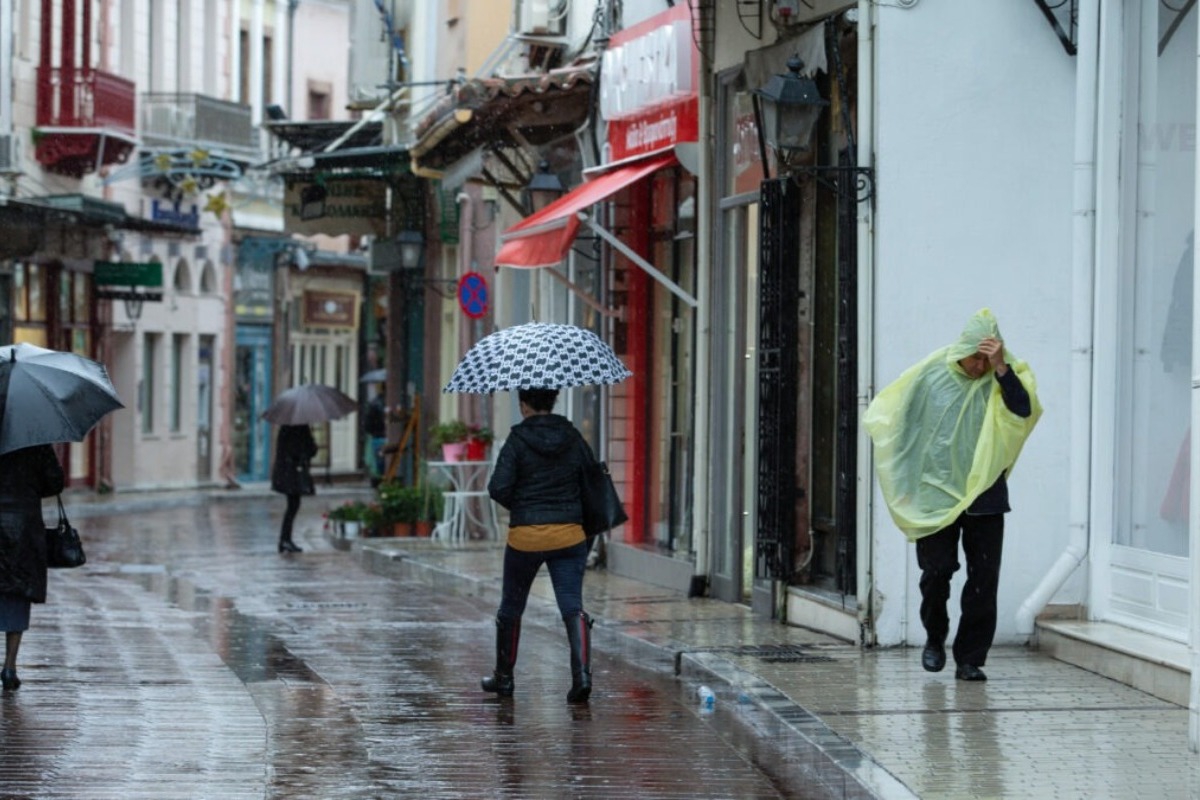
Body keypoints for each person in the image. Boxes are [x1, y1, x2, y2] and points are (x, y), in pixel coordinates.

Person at [864, 308, 1041, 681]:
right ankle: (934, 637)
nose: (979, 366)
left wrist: (1002, 367)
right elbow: (901, 430)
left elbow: (1022, 410)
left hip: (985, 497)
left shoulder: (1002, 376)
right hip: (932, 494)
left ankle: (970, 659)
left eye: (985, 358)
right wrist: (907, 487)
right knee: (937, 572)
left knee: (983, 579)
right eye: (974, 357)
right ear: (961, 349)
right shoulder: (931, 375)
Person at [483, 387, 596, 703]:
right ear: (554, 401)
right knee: (572, 605)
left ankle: (504, 677)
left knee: (512, 606)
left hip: (526, 538)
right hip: (570, 536)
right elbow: (590, 478)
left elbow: (498, 487)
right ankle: (582, 676)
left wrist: (523, 506)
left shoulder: (518, 440)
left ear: (523, 405)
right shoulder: (572, 436)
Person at [0, 444, 66, 690]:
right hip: (23, 527)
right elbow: (54, 484)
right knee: (18, 593)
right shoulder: (33, 439)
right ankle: (9, 667)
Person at [271, 424, 317, 554]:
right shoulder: (301, 427)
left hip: (286, 471)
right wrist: (311, 444)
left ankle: (285, 539)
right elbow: (309, 450)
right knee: (293, 506)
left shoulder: (285, 427)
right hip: (293, 472)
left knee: (292, 506)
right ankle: (285, 540)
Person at [363, 386, 388, 486]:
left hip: (377, 436)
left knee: (378, 462)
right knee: (382, 460)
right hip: (382, 435)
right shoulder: (381, 404)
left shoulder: (373, 403)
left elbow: (367, 424)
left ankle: (379, 480)